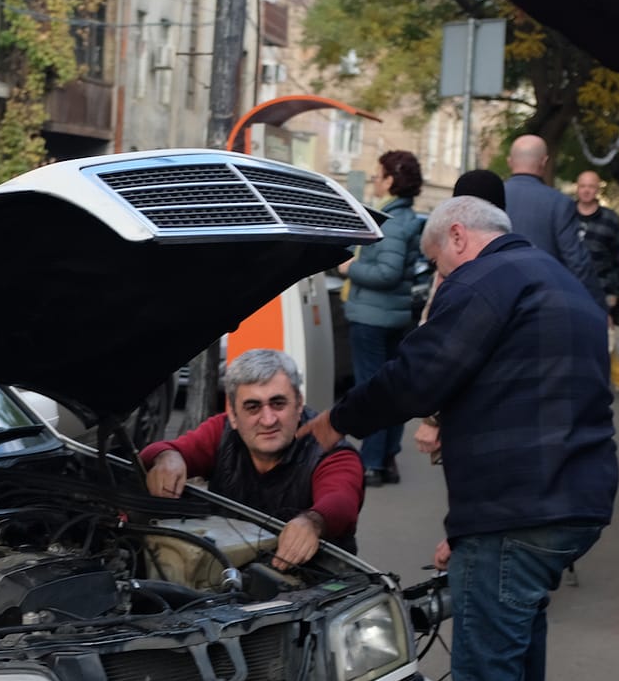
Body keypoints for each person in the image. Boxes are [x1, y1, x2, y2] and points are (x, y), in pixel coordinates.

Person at [301, 196, 618, 681]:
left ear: (458, 238)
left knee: (483, 677)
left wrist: (337, 421)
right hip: (574, 500)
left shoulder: (483, 280)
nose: (435, 279)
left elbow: (420, 373)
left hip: (517, 508)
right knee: (520, 629)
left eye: (434, 261)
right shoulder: (559, 282)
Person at [141, 349, 363, 570]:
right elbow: (156, 452)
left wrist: (313, 522)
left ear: (298, 405)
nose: (267, 420)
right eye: (253, 407)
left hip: (315, 581)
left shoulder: (331, 450)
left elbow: (341, 501)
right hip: (225, 573)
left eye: (278, 403)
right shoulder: (221, 431)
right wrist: (167, 457)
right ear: (234, 416)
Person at [336, 150, 425, 486]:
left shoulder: (393, 222)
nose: (374, 178)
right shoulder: (404, 218)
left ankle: (371, 461)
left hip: (373, 317)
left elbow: (387, 272)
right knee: (391, 390)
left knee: (372, 390)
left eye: (378, 173)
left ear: (390, 180)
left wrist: (350, 268)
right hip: (391, 316)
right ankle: (386, 459)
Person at [412, 170, 507, 462]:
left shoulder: (457, 273)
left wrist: (431, 419)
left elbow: (442, 350)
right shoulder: (513, 258)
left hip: (467, 413)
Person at [503, 135, 604, 310]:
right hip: (541, 303)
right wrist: (597, 304)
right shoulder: (559, 203)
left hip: (495, 298)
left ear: (509, 161)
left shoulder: (491, 197)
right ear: (544, 161)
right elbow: (576, 260)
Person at [574, 170, 619, 324]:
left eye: (591, 186)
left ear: (597, 190)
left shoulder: (610, 218)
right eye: (583, 186)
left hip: (604, 288)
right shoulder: (565, 215)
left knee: (602, 332)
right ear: (577, 188)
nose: (586, 190)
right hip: (571, 286)